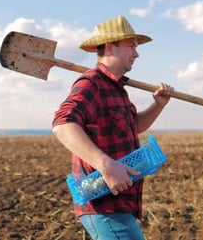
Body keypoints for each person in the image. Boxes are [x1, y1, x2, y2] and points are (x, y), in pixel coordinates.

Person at [52, 16, 174, 239]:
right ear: (110, 47)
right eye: (131, 46)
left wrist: (158, 105)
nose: (136, 54)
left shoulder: (117, 89)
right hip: (102, 203)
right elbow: (63, 123)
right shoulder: (92, 83)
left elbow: (133, 126)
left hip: (119, 202)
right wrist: (105, 164)